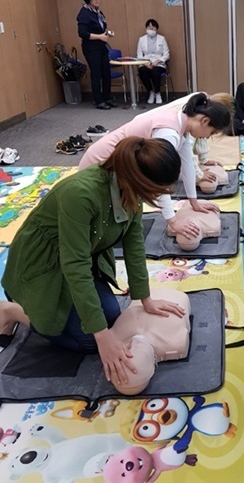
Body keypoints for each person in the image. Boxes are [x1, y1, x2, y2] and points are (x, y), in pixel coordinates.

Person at [1, 137, 185, 386]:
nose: (162, 195)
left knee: (110, 318)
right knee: (91, 340)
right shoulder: (80, 194)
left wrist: (145, 299)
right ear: (139, 180)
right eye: (158, 190)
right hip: (43, 266)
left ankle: (72, 319)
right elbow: (75, 267)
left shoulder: (130, 187)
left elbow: (134, 245)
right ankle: (11, 311)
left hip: (79, 259)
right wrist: (101, 336)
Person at [79, 93, 230, 239]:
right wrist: (173, 221)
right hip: (99, 166)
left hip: (115, 163)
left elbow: (187, 164)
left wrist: (194, 201)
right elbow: (159, 177)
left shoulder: (181, 123)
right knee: (113, 223)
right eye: (212, 132)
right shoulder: (168, 132)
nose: (208, 137)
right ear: (204, 121)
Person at [77, 0, 116, 110]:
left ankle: (107, 98)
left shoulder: (98, 11)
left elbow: (102, 28)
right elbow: (82, 33)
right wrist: (100, 37)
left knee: (106, 72)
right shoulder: (84, 13)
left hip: (101, 46)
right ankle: (98, 101)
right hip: (91, 47)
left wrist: (107, 33)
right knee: (96, 73)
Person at [136, 18, 170, 105]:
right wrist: (146, 64)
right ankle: (151, 92)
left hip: (158, 63)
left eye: (153, 27)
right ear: (146, 28)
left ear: (156, 28)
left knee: (155, 72)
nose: (151, 29)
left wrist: (158, 61)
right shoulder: (141, 39)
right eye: (149, 27)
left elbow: (166, 54)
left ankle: (158, 93)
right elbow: (139, 55)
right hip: (145, 62)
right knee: (142, 71)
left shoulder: (162, 39)